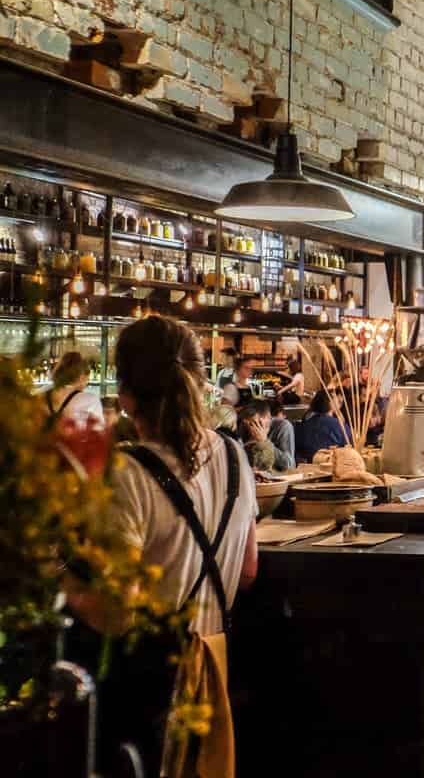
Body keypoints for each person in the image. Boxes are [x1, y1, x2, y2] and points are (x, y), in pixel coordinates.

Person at [65, 315, 257, 776]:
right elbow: (248, 570)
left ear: (127, 398)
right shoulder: (234, 457)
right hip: (216, 664)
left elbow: (116, 612)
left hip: (145, 686)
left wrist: (60, 581)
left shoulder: (126, 474)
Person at [42, 350, 105, 429]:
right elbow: (99, 432)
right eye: (87, 380)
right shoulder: (90, 400)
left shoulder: (40, 395)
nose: (86, 384)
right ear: (82, 377)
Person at [294, 389, 349, 462]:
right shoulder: (338, 425)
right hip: (331, 464)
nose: (339, 402)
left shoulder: (305, 423)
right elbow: (349, 445)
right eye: (336, 399)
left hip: (308, 465)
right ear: (330, 403)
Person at [242, 399, 295, 472]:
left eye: (255, 423)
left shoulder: (283, 426)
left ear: (268, 418)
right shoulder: (243, 426)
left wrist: (264, 441)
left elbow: (288, 465)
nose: (252, 429)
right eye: (248, 424)